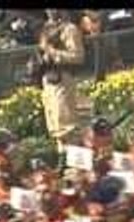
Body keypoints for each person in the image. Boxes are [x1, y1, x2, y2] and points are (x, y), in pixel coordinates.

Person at [38, 10, 85, 154]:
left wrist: (53, 52)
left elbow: (78, 56)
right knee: (54, 124)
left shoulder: (70, 29)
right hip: (47, 77)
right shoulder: (46, 28)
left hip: (63, 78)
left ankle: (73, 162)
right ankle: (61, 160)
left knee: (67, 125)